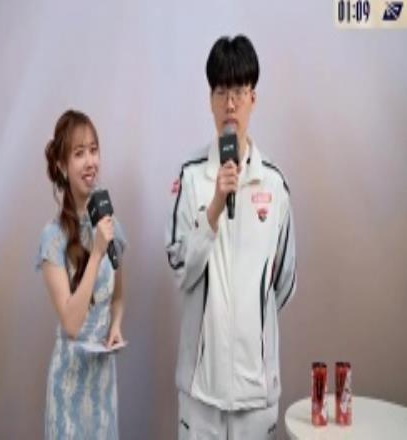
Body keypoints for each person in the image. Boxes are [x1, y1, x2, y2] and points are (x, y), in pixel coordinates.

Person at [165, 35, 297, 439]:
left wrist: (251, 329)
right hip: (201, 394)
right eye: (222, 91)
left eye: (239, 90)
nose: (230, 103)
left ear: (253, 97)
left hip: (257, 396)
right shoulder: (191, 178)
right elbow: (181, 270)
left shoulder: (274, 186)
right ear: (210, 100)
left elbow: (284, 283)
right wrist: (216, 207)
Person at [36, 109, 127, 439]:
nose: (90, 162)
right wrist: (97, 252)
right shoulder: (53, 237)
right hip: (69, 383)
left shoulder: (110, 224)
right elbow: (72, 323)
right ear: (62, 166)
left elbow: (118, 295)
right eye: (79, 153)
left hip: (103, 380)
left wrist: (115, 326)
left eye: (93, 150)